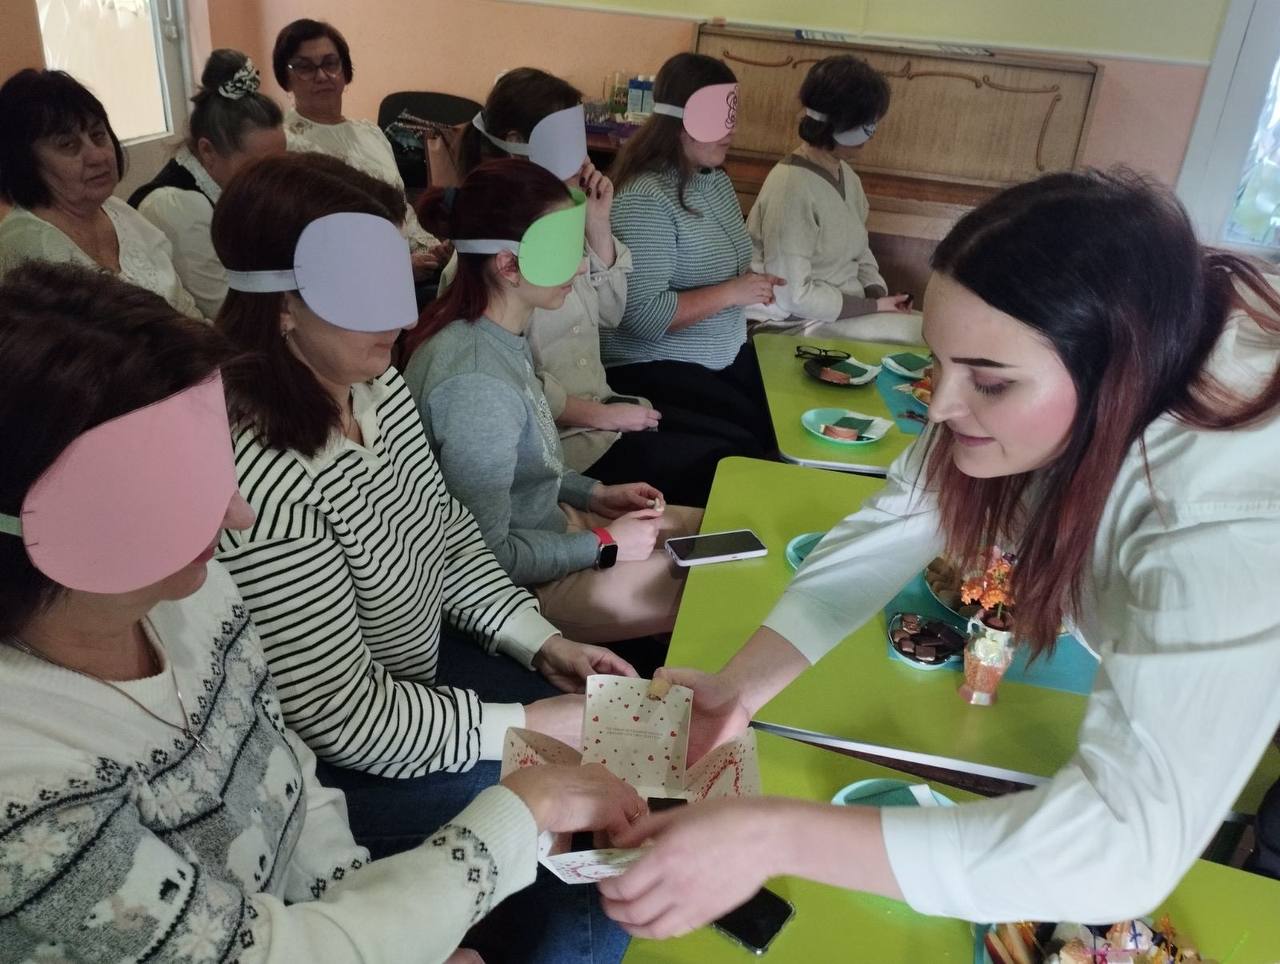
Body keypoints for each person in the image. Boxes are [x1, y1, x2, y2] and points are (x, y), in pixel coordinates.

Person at [597, 169, 1280, 935]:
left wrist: (773, 837)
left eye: (990, 383)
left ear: (1114, 374)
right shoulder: (1107, 354)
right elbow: (897, 520)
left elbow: (1122, 850)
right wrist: (738, 691)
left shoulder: (1220, 523)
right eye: (939, 361)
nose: (942, 406)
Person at [0, 259, 644, 963]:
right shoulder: (26, 789)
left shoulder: (197, 592)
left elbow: (292, 782)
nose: (238, 514)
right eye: (177, 482)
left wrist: (383, 923)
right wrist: (519, 815)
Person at [210, 153, 635, 963]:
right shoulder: (260, 476)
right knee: (586, 858)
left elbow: (445, 531)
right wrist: (525, 726)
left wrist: (540, 640)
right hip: (340, 769)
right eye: (358, 285)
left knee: (619, 740)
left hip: (421, 681)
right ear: (281, 304)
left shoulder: (376, 386)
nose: (399, 313)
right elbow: (340, 717)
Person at [403, 159, 704, 646]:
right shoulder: (475, 383)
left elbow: (529, 465)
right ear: (508, 265)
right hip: (522, 584)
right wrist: (604, 542)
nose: (582, 265)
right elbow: (486, 557)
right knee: (716, 588)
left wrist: (594, 494)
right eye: (563, 250)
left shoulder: (500, 334)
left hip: (553, 527)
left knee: (717, 533)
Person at [458, 67, 734, 505]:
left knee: (735, 442)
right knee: (721, 468)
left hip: (605, 408)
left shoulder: (564, 226)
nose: (582, 160)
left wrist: (598, 225)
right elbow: (513, 382)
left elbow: (611, 313)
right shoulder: (498, 259)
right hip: (568, 446)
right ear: (516, 141)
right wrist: (603, 417)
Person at [607, 53, 782, 460]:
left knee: (781, 419)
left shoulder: (713, 181)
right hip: (654, 369)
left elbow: (724, 266)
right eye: (719, 117)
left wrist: (752, 284)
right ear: (681, 120)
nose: (731, 129)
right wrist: (733, 293)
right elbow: (644, 316)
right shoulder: (645, 198)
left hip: (717, 359)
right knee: (749, 448)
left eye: (732, 114)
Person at [746, 55, 921, 344]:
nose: (871, 134)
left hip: (845, 313)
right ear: (843, 122)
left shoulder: (848, 178)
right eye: (866, 122)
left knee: (928, 329)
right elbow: (792, 295)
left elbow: (860, 251)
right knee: (921, 336)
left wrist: (878, 296)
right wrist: (873, 308)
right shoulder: (790, 186)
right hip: (790, 322)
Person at [0, 68, 200, 318]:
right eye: (68, 145)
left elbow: (186, 309)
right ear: (24, 162)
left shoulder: (119, 211)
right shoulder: (23, 248)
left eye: (98, 135)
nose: (98, 156)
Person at [271, 18, 448, 282]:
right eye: (305, 67)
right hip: (345, 279)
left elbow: (401, 209)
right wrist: (396, 268)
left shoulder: (370, 134)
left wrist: (431, 248)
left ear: (345, 72)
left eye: (330, 63)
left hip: (406, 267)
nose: (321, 76)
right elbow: (310, 238)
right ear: (285, 78)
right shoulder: (284, 143)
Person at [129, 49, 286, 318]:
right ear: (208, 152)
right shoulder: (177, 208)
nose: (274, 179)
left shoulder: (234, 189)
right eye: (259, 168)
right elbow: (225, 312)